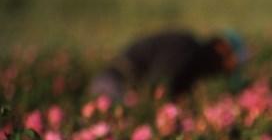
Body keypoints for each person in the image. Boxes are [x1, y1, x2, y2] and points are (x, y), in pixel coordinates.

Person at [90, 30, 247, 101]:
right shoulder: (185, 49)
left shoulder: (191, 66)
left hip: (118, 85)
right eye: (225, 67)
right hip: (113, 85)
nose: (219, 72)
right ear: (221, 47)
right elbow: (158, 87)